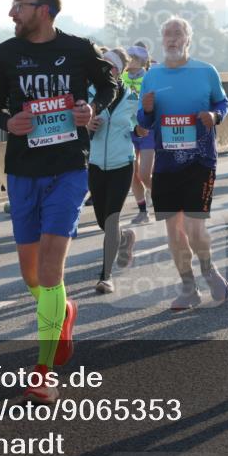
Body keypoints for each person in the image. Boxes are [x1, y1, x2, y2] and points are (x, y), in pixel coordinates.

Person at [0, 0, 117, 404]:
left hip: (67, 168)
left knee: (49, 268)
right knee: (30, 273)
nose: (11, 13)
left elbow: (112, 85)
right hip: (23, 170)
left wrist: (91, 109)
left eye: (18, 6)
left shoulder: (80, 49)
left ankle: (42, 373)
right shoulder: (6, 54)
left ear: (42, 10)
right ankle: (63, 310)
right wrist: (9, 121)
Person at [139, 16, 228, 311]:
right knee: (174, 232)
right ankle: (188, 287)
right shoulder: (152, 76)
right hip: (166, 163)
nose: (172, 39)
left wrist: (215, 117)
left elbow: (222, 102)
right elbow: (142, 119)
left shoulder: (206, 71)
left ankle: (208, 268)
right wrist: (148, 111)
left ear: (188, 39)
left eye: (178, 34)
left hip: (200, 159)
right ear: (162, 41)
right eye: (167, 34)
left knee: (194, 227)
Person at [87, 48, 139, 292]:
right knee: (101, 219)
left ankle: (105, 276)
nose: (104, 68)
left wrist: (143, 129)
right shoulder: (89, 94)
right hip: (95, 164)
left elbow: (142, 125)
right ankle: (125, 237)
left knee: (111, 218)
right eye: (102, 64)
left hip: (122, 164)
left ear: (120, 70)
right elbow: (73, 128)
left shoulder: (132, 98)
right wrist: (87, 126)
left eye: (110, 65)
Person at [125, 44, 154, 225]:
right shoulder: (121, 77)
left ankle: (163, 196)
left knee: (144, 174)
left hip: (148, 130)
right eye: (127, 56)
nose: (128, 60)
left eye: (132, 57)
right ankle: (143, 211)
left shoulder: (150, 78)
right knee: (132, 174)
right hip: (128, 130)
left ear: (141, 61)